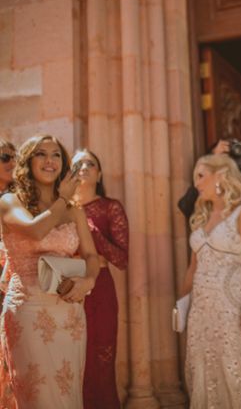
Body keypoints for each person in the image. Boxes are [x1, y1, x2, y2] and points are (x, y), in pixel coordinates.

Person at [0, 135, 100, 408]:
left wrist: (87, 281)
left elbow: (91, 256)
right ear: (28, 162)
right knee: (38, 397)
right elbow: (36, 230)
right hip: (28, 311)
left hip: (69, 311)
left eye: (56, 155)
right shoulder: (9, 202)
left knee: (67, 394)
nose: (49, 161)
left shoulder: (75, 211)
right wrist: (63, 199)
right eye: (41, 154)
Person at [180, 154, 241, 408]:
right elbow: (192, 268)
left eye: (201, 176)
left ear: (221, 175)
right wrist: (181, 304)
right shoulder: (200, 219)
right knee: (204, 364)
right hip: (201, 307)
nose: (197, 184)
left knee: (236, 362)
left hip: (231, 300)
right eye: (195, 178)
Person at [72, 148, 129, 409]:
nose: (84, 167)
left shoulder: (110, 208)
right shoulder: (61, 209)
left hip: (100, 288)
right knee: (71, 364)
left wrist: (93, 232)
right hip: (65, 289)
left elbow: (122, 259)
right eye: (78, 163)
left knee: (101, 362)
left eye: (90, 163)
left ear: (99, 173)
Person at [0, 138, 16, 409]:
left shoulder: (20, 198)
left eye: (14, 157)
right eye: (4, 158)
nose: (11, 163)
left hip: (13, 280)